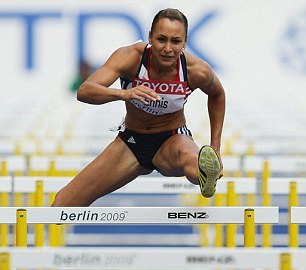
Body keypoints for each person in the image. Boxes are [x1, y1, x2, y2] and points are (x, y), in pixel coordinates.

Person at [52, 8, 225, 207]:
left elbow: (217, 94)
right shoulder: (130, 57)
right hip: (131, 142)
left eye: (175, 41)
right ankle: (201, 171)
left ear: (185, 42)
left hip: (171, 137)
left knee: (190, 159)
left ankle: (204, 175)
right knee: (62, 205)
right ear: (150, 37)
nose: (168, 48)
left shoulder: (196, 70)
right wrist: (125, 93)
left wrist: (216, 147)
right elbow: (85, 91)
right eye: (161, 39)